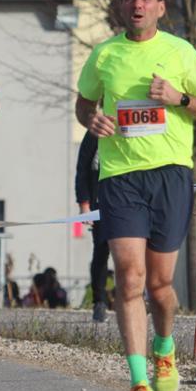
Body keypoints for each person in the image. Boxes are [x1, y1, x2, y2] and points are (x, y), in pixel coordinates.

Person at [76, 0, 196, 391]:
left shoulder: (181, 51)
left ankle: (164, 347)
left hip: (170, 176)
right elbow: (84, 105)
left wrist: (179, 98)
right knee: (129, 278)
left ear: (160, 6)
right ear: (121, 6)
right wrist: (92, 121)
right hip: (120, 178)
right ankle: (139, 383)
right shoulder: (103, 55)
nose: (137, 5)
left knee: (160, 288)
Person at [75, 132, 110, 322]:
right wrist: (84, 203)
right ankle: (99, 301)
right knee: (101, 251)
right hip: (100, 203)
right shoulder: (95, 132)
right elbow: (82, 168)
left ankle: (136, 298)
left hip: (128, 202)